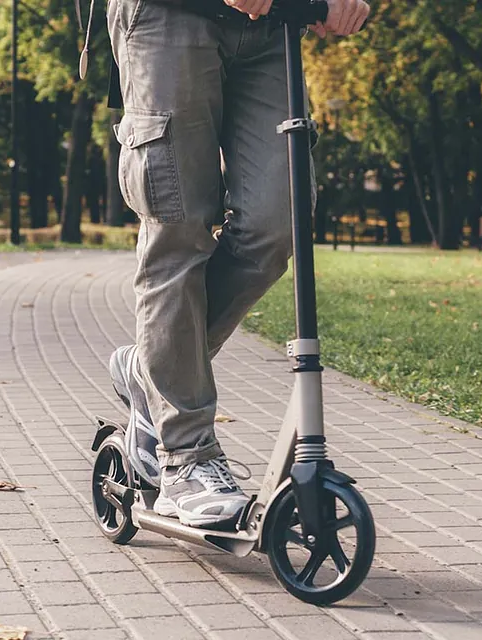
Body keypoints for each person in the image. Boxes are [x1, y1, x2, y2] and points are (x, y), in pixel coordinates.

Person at [107, 0, 370, 528]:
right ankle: (185, 457)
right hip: (168, 17)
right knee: (178, 228)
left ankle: (150, 370)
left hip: (270, 26)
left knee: (279, 222)